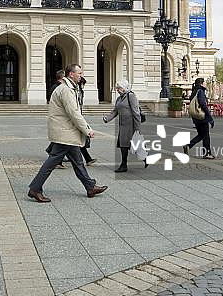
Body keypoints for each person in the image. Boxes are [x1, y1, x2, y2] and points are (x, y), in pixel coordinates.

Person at [28, 64, 107, 202]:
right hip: (65, 133)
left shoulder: (67, 88)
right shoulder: (66, 90)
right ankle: (35, 189)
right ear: (71, 74)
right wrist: (87, 130)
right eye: (79, 73)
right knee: (51, 163)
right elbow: (73, 113)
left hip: (66, 133)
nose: (81, 76)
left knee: (78, 162)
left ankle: (90, 187)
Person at [103, 80, 141, 172]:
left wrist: (137, 129)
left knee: (131, 145)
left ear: (124, 88)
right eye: (117, 88)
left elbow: (136, 113)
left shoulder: (131, 96)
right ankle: (124, 165)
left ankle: (126, 164)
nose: (117, 90)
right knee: (124, 146)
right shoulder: (119, 98)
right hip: (123, 125)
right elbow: (115, 111)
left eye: (119, 88)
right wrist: (107, 119)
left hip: (130, 126)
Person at [183, 77, 215, 158]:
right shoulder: (200, 91)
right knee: (206, 136)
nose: (206, 84)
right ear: (201, 83)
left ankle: (188, 145)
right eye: (204, 83)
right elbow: (202, 104)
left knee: (201, 134)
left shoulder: (194, 92)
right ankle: (207, 153)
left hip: (195, 117)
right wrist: (209, 117)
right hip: (202, 116)